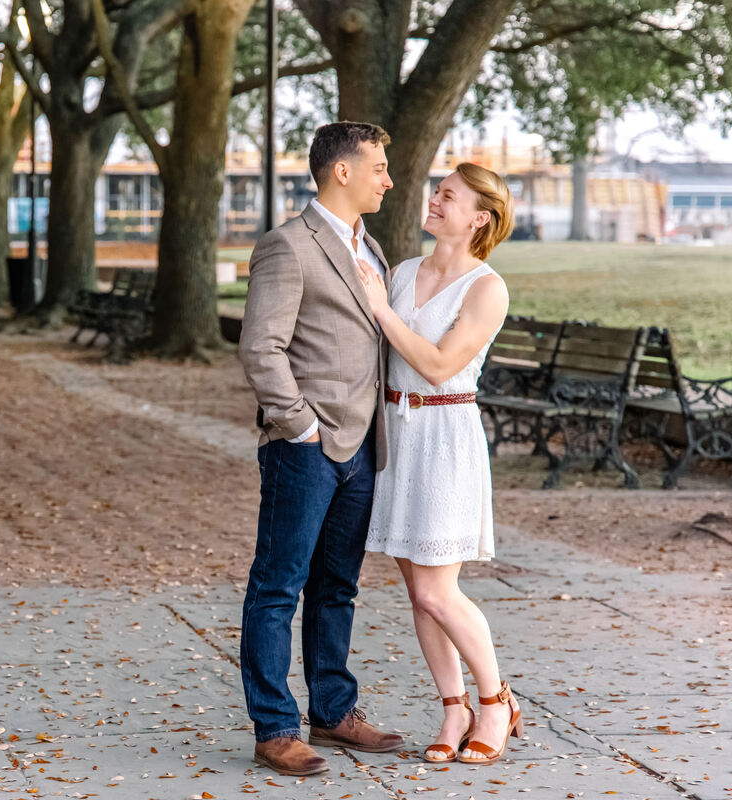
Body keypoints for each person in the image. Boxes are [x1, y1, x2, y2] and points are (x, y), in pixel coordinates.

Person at [238, 121, 403, 777]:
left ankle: (333, 713)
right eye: (379, 167)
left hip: (364, 446)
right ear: (342, 170)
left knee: (337, 587)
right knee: (278, 588)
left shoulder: (373, 248)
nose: (387, 179)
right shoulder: (288, 247)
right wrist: (299, 424)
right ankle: (275, 726)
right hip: (305, 448)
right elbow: (261, 347)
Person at [356, 162, 524, 766]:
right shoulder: (402, 272)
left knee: (437, 591)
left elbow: (437, 362)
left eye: (448, 196)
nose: (434, 201)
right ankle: (453, 708)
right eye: (437, 192)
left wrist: (382, 309)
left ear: (479, 216)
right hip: (395, 436)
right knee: (416, 589)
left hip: (445, 435)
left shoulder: (487, 288)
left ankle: (495, 700)